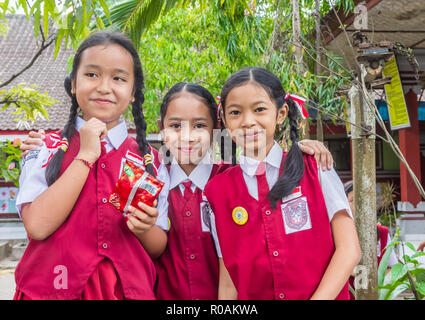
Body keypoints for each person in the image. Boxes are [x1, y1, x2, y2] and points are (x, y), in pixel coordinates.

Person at [20, 84, 336, 300]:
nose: (186, 136)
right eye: (174, 125)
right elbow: (100, 196)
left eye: (200, 126)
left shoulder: (233, 184)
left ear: (217, 129)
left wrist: (299, 150)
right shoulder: (141, 176)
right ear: (161, 127)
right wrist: (50, 144)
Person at [14, 31, 169, 300]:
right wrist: (85, 154)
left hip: (126, 291)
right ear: (73, 84)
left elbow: (157, 247)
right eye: (92, 75)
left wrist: (145, 228)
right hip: (53, 290)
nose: (104, 87)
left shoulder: (149, 162)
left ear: (133, 93)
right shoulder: (44, 149)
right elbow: (37, 226)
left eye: (119, 78)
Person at [204, 67, 361, 300]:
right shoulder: (217, 191)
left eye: (259, 109)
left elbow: (349, 250)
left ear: (280, 114)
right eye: (235, 112)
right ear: (225, 120)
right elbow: (229, 281)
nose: (247, 121)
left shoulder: (314, 168)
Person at [344, 180, 397, 299]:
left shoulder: (382, 233)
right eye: (353, 200)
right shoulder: (336, 234)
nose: (360, 204)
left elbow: (392, 268)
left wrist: (377, 280)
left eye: (364, 199)